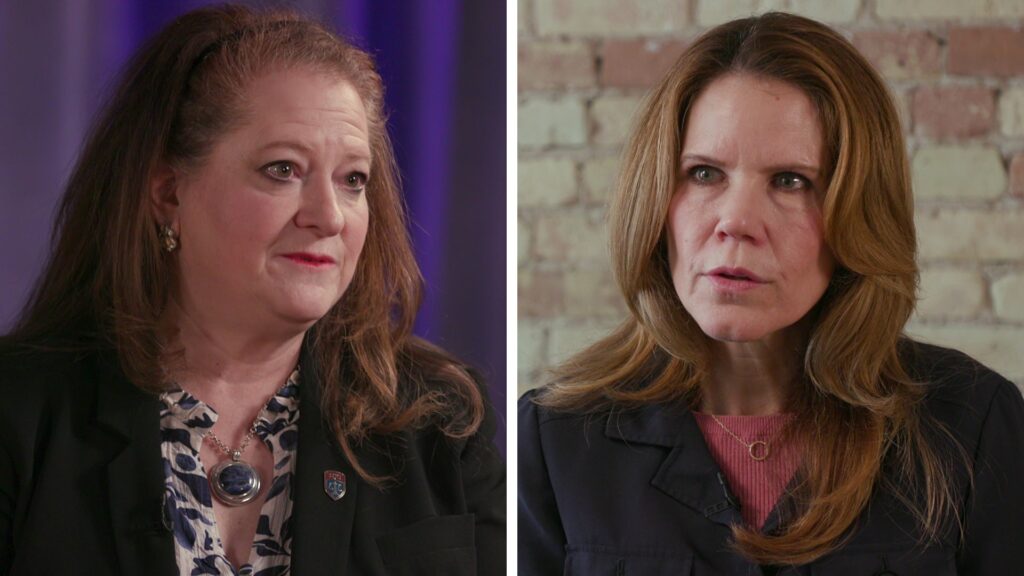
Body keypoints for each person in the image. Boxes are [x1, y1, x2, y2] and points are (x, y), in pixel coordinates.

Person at [0, 5, 504, 575]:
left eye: (352, 180)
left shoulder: (441, 419)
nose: (328, 216)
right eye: (282, 169)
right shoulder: (19, 415)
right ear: (168, 194)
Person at [519, 12, 1023, 575]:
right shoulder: (554, 439)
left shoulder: (973, 427)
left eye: (790, 181)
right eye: (704, 173)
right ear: (656, 196)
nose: (736, 221)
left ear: (860, 213)